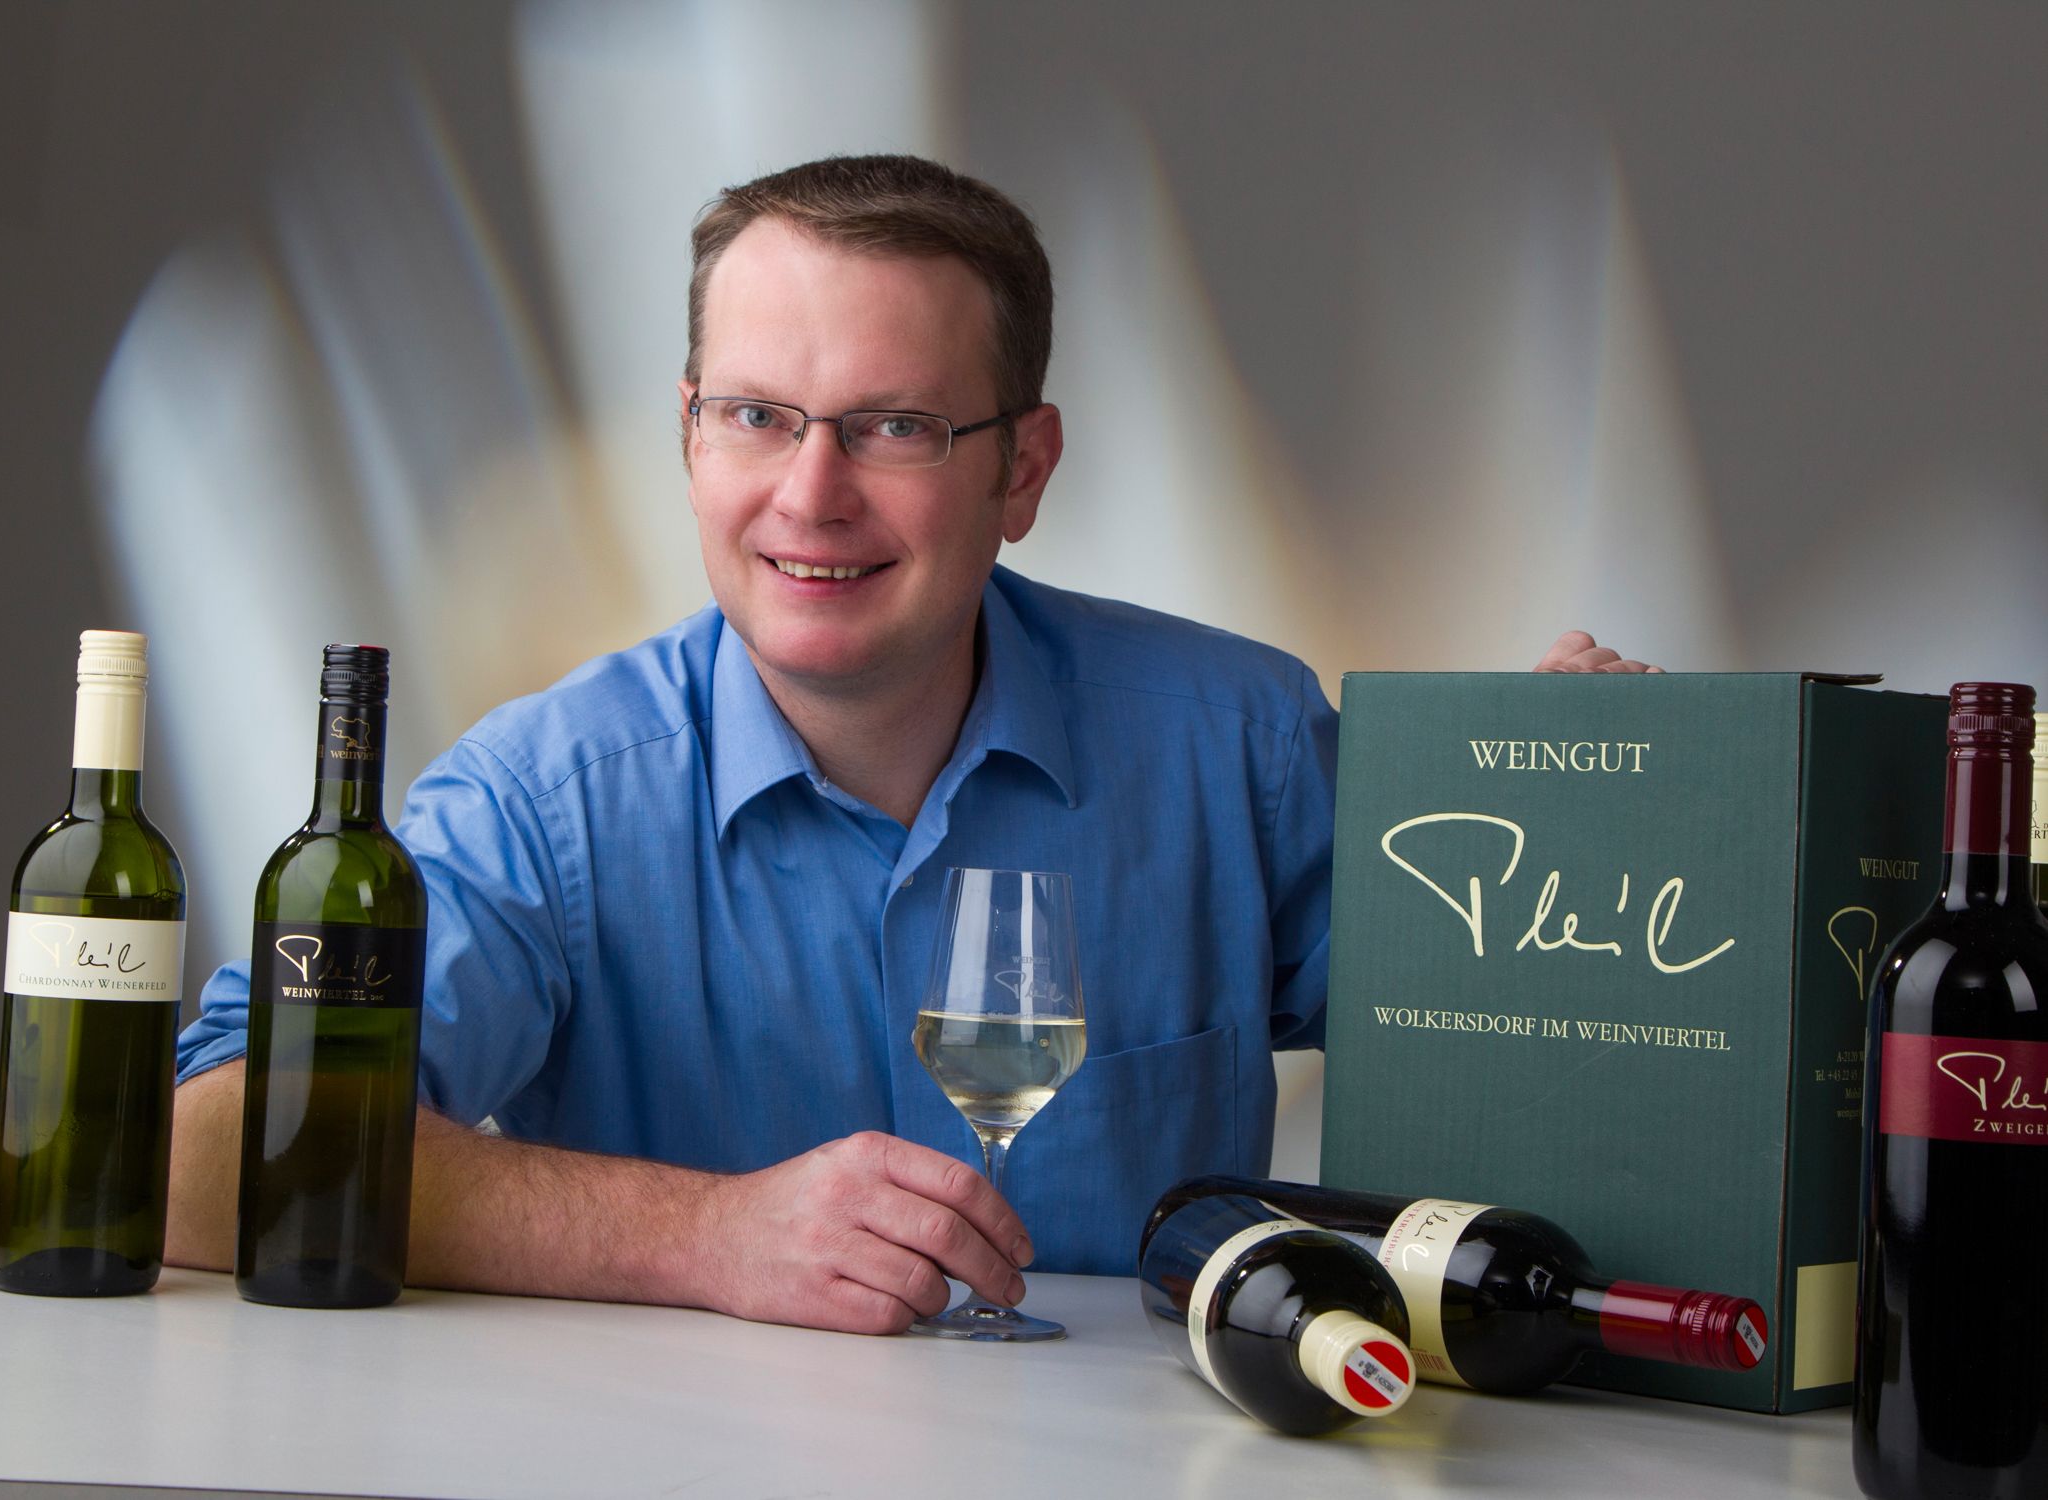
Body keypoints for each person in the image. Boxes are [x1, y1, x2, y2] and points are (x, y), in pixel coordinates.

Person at [167, 154, 1655, 1332]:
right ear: (688, 438)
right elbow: (205, 1152)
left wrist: (1577, 811)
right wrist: (705, 1235)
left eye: (890, 428)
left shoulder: (1237, 746)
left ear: (1023, 470)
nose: (809, 497)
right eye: (756, 416)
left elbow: (1531, 1032)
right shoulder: (544, 803)